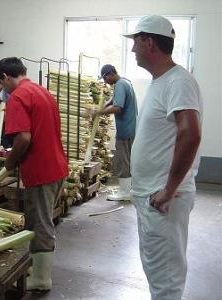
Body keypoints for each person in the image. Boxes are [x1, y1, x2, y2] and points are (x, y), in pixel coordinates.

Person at [124, 15, 202, 299]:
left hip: (164, 201)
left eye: (135, 42)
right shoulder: (161, 81)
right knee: (157, 271)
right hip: (151, 198)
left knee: (166, 277)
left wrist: (168, 189)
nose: (133, 49)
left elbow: (191, 135)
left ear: (150, 42)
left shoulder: (178, 81)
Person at [0, 57, 68, 292]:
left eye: (1, 83)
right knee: (40, 219)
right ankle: (37, 268)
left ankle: (41, 278)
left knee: (40, 222)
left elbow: (24, 138)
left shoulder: (18, 96)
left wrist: (10, 161)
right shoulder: (42, 91)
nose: (2, 88)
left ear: (6, 77)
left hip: (41, 171)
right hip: (57, 167)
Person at [90, 64, 137, 201]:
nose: (105, 82)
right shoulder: (124, 82)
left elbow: (118, 108)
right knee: (127, 159)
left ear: (110, 74)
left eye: (105, 79)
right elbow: (114, 99)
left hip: (125, 129)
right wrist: (104, 104)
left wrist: (99, 112)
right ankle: (127, 189)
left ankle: (125, 192)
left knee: (123, 160)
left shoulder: (121, 85)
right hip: (131, 127)